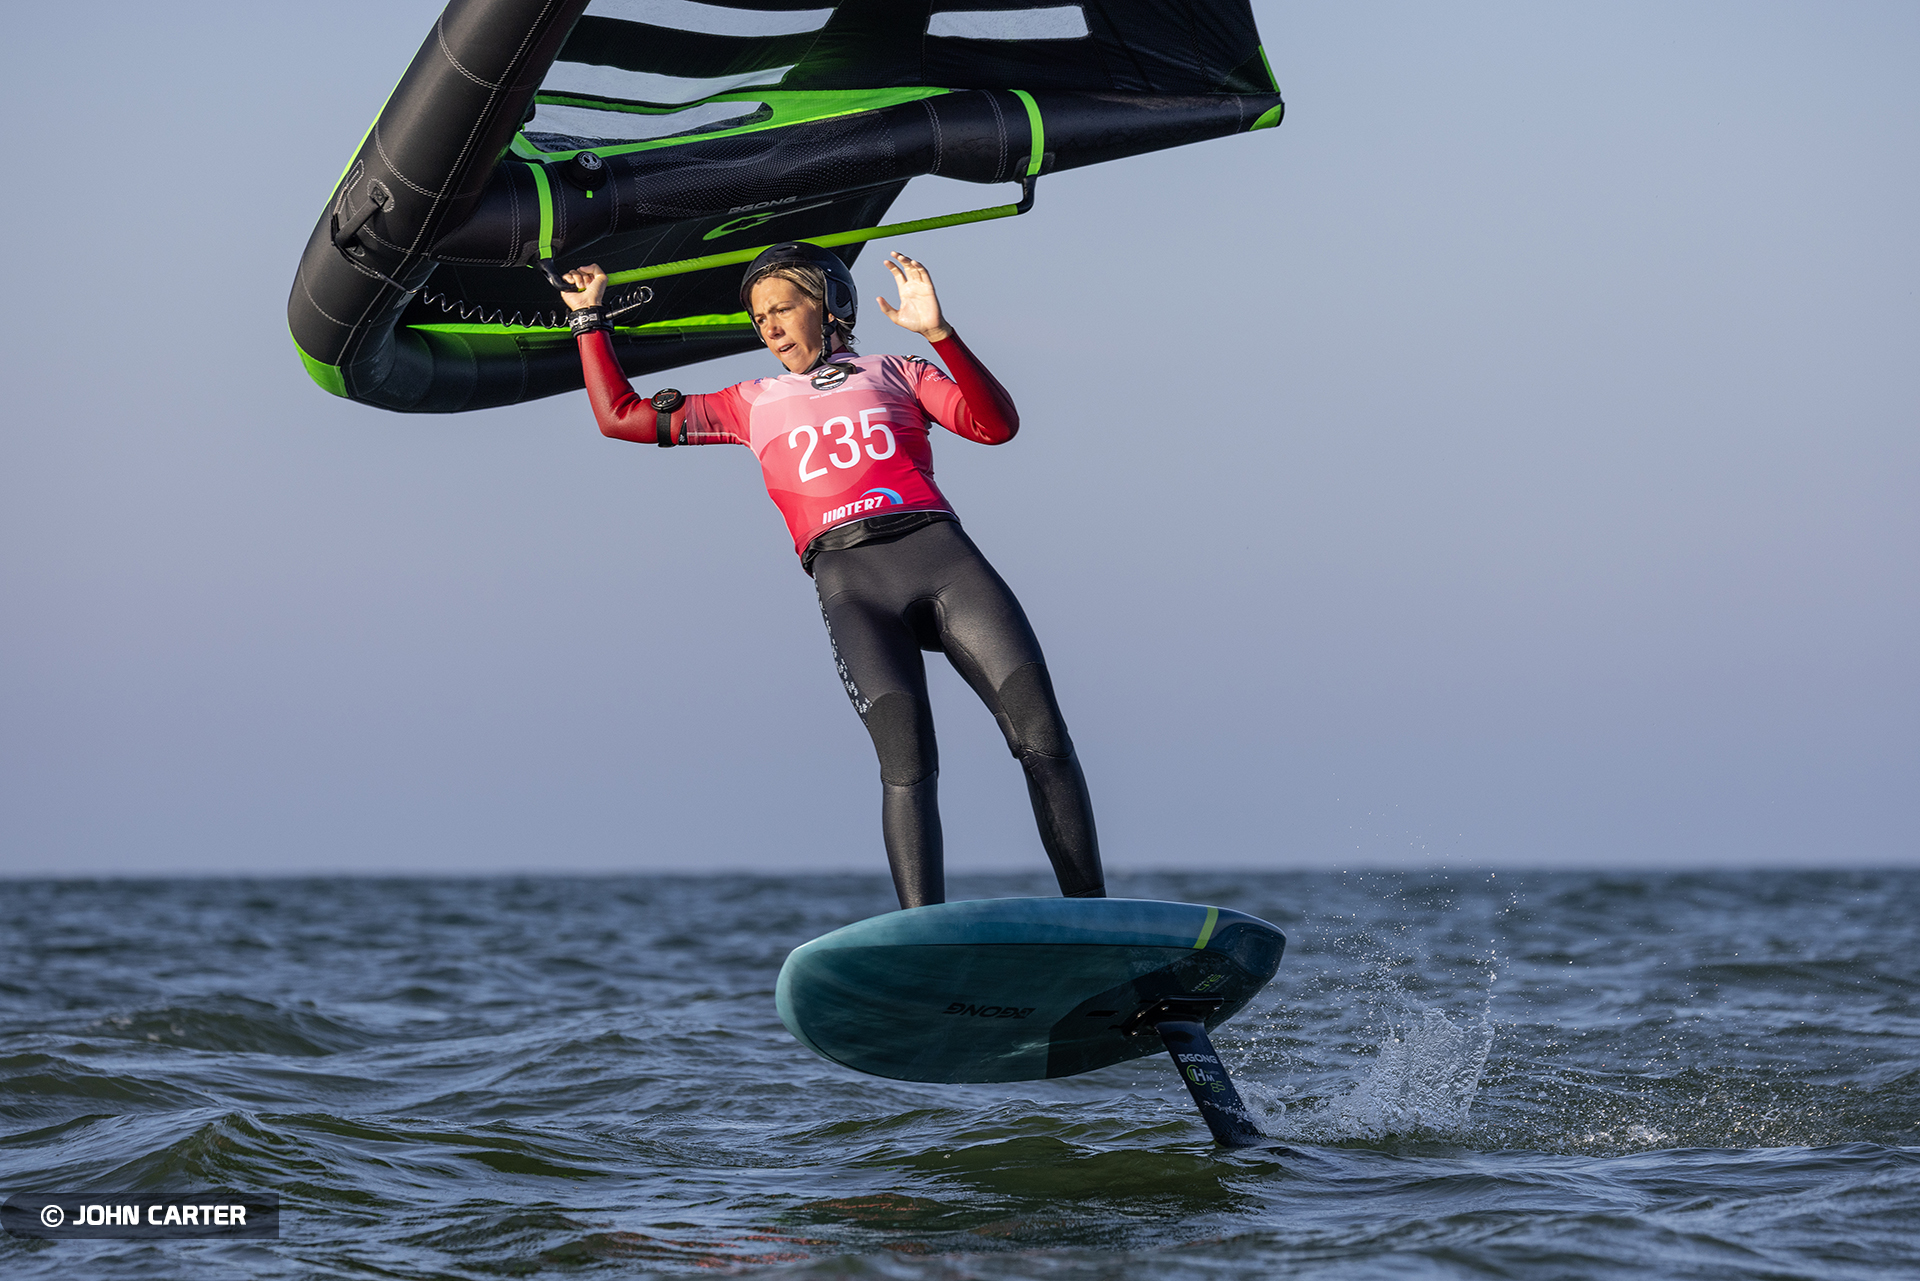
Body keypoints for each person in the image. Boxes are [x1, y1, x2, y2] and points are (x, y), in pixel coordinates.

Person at [560, 244, 1102, 909]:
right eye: (759, 317)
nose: (770, 326)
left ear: (831, 306)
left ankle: (1092, 914)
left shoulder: (897, 370)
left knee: (1044, 741)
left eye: (783, 308)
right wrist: (589, 320)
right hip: (853, 587)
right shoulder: (748, 402)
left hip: (943, 561)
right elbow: (620, 417)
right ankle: (921, 939)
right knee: (908, 768)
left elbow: (996, 426)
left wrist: (939, 334)